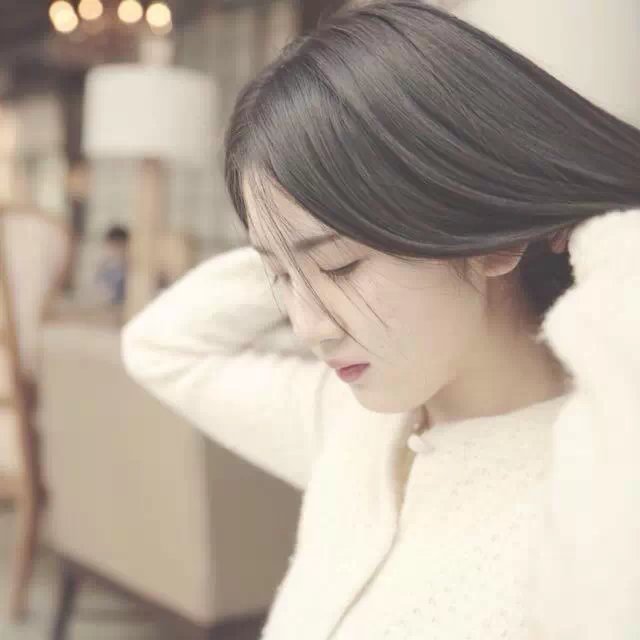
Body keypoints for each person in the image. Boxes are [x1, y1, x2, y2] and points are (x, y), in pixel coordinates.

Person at [122, 1, 640, 638]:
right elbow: (161, 346)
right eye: (278, 279)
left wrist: (590, 228)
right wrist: (296, 241)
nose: (309, 327)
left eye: (342, 266)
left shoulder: (603, 473)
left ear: (493, 237)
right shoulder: (353, 422)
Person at [95, 225, 129, 305]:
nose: (115, 251)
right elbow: (100, 291)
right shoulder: (103, 268)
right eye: (112, 246)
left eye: (119, 246)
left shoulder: (129, 269)